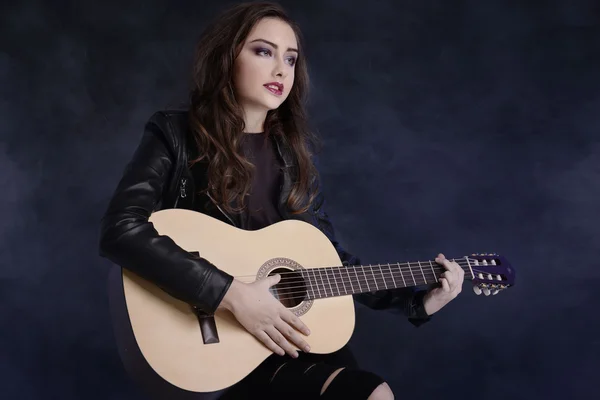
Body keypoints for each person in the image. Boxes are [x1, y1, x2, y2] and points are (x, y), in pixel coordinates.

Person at [99, 2, 465, 399]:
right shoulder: (175, 133)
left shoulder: (293, 154)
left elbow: (332, 264)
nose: (281, 70)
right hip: (226, 343)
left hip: (293, 337)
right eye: (263, 51)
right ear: (226, 57)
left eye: (290, 59)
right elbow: (121, 230)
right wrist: (231, 294)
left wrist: (417, 302)